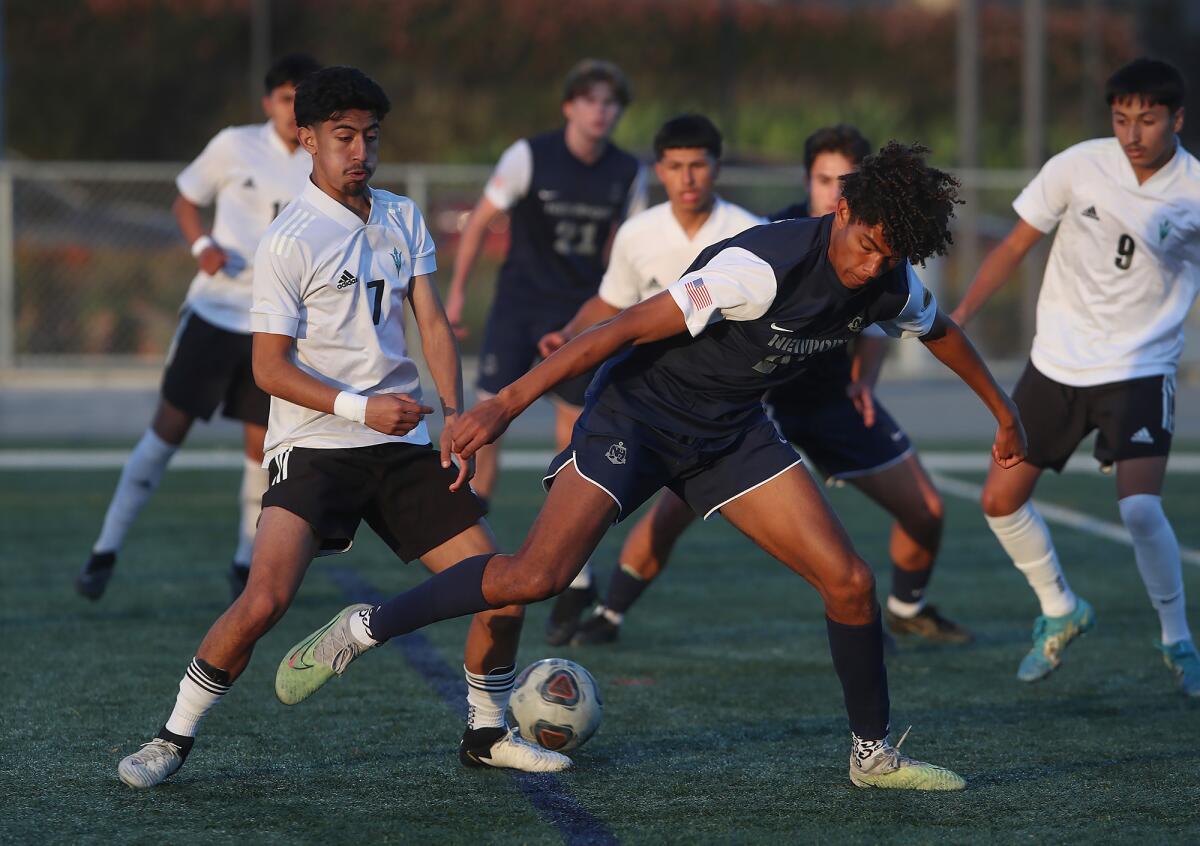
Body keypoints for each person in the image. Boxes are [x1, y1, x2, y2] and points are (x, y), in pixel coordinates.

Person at [282, 141, 1028, 791]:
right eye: (866, 243)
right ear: (841, 210)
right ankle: (365, 625)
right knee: (536, 577)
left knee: (851, 582)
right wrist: (502, 407)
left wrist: (1003, 410)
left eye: (888, 255)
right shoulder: (758, 269)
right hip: (635, 421)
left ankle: (872, 756)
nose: (872, 266)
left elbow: (942, 330)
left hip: (731, 435)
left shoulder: (890, 276)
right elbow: (620, 328)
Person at [116, 67, 570, 791]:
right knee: (264, 600)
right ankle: (171, 738)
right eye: (343, 136)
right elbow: (268, 368)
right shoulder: (288, 240)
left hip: (402, 447)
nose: (360, 150)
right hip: (317, 446)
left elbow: (432, 322)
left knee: (506, 592)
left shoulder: (399, 215)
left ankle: (486, 731)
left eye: (370, 136)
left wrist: (455, 416)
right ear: (307, 140)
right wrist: (361, 408)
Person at [554, 124, 970, 648]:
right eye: (824, 180)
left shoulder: (879, 251)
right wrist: (564, 341)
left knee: (925, 510)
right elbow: (641, 318)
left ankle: (904, 608)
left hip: (828, 399)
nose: (832, 191)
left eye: (843, 179)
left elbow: (890, 316)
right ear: (814, 185)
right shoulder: (777, 241)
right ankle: (611, 611)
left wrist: (866, 379)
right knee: (673, 510)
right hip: (754, 406)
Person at [952, 58, 1200, 697]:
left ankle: (1177, 639)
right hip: (1056, 364)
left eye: (1147, 120)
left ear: (1177, 118)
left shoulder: (1195, 191)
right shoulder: (1077, 165)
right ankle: (1060, 608)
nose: (1132, 134)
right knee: (999, 501)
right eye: (1122, 119)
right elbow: (1011, 246)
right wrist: (955, 320)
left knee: (1142, 509)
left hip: (1140, 368)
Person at [76, 54, 321, 602]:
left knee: (263, 452)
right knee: (165, 433)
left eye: (302, 98)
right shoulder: (235, 144)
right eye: (285, 97)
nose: (292, 108)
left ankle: (243, 563)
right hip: (215, 313)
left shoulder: (321, 156)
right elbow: (186, 198)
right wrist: (201, 244)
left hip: (274, 325)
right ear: (268, 102)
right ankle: (104, 549)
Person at [443, 59, 646, 637]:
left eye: (610, 103)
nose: (600, 111)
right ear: (569, 106)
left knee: (577, 429)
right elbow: (481, 220)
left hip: (582, 309)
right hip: (520, 305)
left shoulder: (628, 170)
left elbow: (625, 247)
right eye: (590, 100)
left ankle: (573, 573)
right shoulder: (529, 154)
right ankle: (468, 548)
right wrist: (456, 294)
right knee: (488, 421)